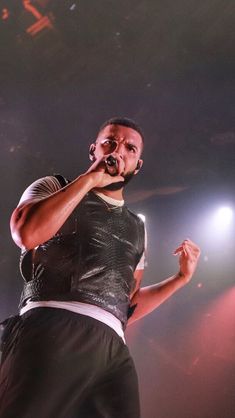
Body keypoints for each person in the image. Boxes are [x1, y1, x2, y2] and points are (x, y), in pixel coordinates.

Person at [0, 117, 200, 418]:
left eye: (130, 148)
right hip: (54, 324)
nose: (118, 150)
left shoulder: (137, 227)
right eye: (110, 142)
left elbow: (126, 306)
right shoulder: (55, 186)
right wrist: (90, 179)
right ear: (94, 149)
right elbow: (27, 234)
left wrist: (179, 279)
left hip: (113, 348)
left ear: (137, 165)